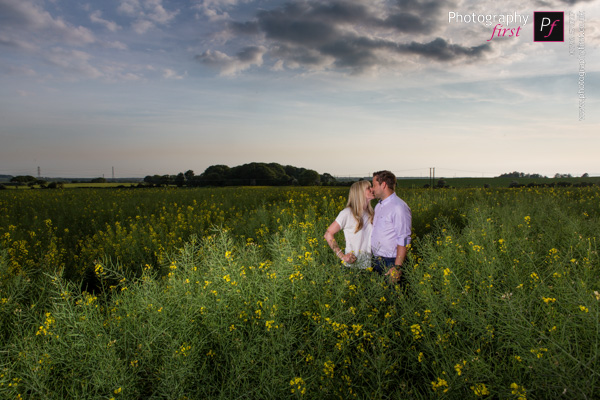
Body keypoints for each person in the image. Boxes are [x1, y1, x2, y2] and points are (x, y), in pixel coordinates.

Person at [371, 170, 412, 284]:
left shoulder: (399, 207)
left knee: (392, 297)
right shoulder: (379, 206)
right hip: (376, 260)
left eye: (374, 185)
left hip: (391, 261)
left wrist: (397, 267)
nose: (372, 189)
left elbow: (403, 238)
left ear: (383, 185)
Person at [324, 180, 375, 268]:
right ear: (360, 193)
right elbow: (328, 234)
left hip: (371, 265)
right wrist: (342, 256)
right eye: (368, 188)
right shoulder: (347, 213)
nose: (372, 189)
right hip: (353, 266)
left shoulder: (371, 212)